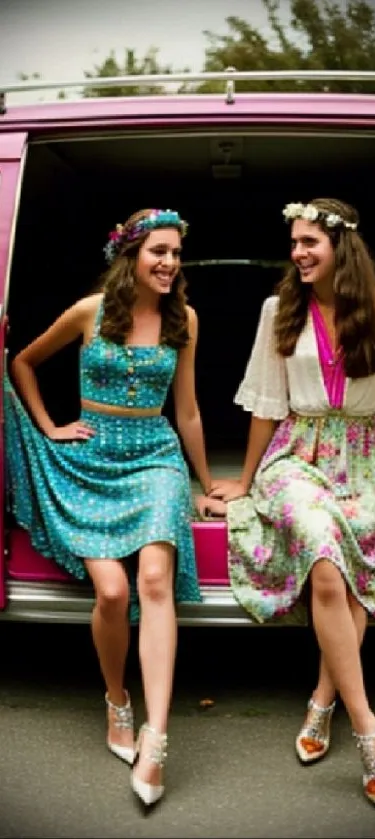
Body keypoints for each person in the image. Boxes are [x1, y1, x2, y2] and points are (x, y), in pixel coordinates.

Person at [4, 207, 214, 808]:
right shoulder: (88, 312)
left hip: (155, 460)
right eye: (159, 252)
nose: (170, 263)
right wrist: (50, 427)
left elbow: (190, 411)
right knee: (113, 595)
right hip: (90, 458)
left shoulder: (185, 320)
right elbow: (21, 362)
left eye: (176, 253)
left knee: (153, 579)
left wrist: (206, 484)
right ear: (130, 256)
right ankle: (116, 700)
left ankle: (157, 736)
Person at [200, 197, 375, 810]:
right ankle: (369, 731)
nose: (298, 253)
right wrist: (248, 478)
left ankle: (323, 700)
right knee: (321, 547)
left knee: (353, 561)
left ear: (341, 245)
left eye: (309, 241)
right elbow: (266, 402)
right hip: (298, 455)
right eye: (294, 242)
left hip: (365, 457)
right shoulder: (279, 309)